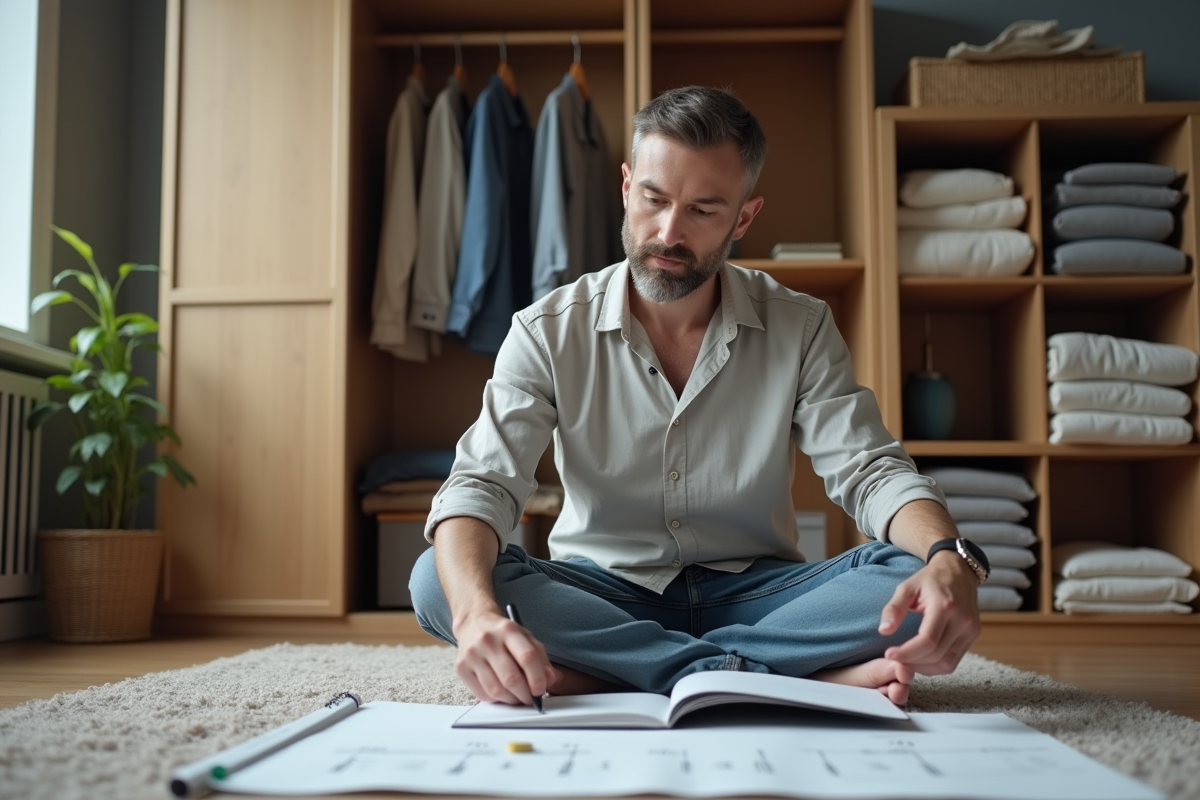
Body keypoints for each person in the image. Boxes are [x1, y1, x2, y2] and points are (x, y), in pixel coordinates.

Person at [409, 85, 985, 709]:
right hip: (603, 594)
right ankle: (773, 678)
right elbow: (481, 485)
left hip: (762, 593)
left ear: (744, 216)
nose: (668, 232)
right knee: (441, 584)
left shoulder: (802, 325)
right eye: (654, 199)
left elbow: (870, 470)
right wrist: (475, 618)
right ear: (626, 186)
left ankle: (620, 676)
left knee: (908, 577)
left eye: (704, 210)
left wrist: (948, 556)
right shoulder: (544, 330)